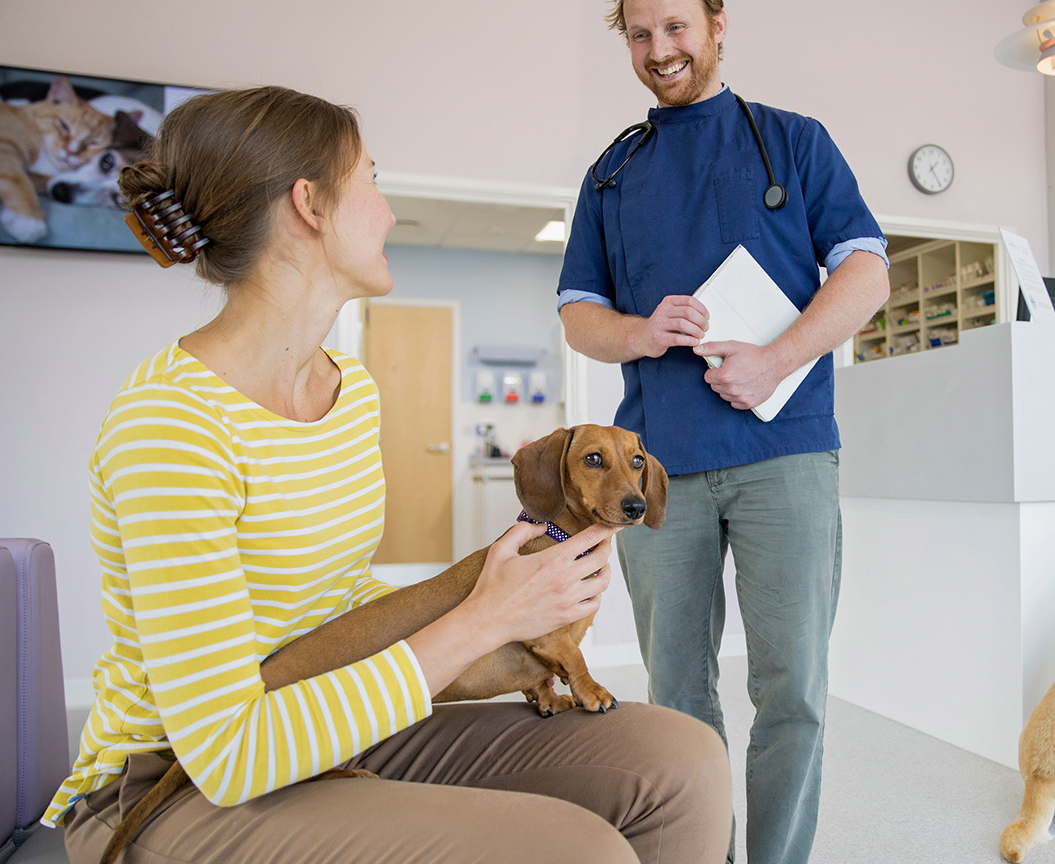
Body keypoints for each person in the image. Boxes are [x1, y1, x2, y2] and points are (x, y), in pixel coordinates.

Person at [45, 85, 731, 864]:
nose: (389, 210)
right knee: (575, 849)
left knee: (682, 759)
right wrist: (480, 622)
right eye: (371, 179)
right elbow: (228, 752)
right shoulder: (171, 425)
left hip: (320, 716)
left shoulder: (348, 389)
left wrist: (503, 599)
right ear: (310, 205)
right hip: (174, 783)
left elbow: (337, 604)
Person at [556, 2, 890, 861]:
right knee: (675, 695)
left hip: (786, 452)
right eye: (638, 35)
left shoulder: (793, 141)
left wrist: (777, 360)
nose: (659, 51)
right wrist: (639, 332)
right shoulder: (611, 172)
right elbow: (578, 315)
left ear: (715, 24)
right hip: (656, 470)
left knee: (793, 687)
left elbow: (866, 272)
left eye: (675, 28)